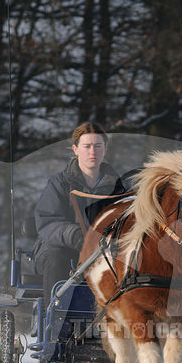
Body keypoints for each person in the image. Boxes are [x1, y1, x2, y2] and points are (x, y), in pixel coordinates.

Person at [34, 121, 125, 306]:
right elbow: (47, 222)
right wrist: (74, 234)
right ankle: (55, 317)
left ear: (105, 149)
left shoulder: (118, 187)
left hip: (104, 250)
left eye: (98, 146)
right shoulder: (59, 183)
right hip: (63, 248)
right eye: (87, 146)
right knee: (56, 257)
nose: (93, 152)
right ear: (75, 149)